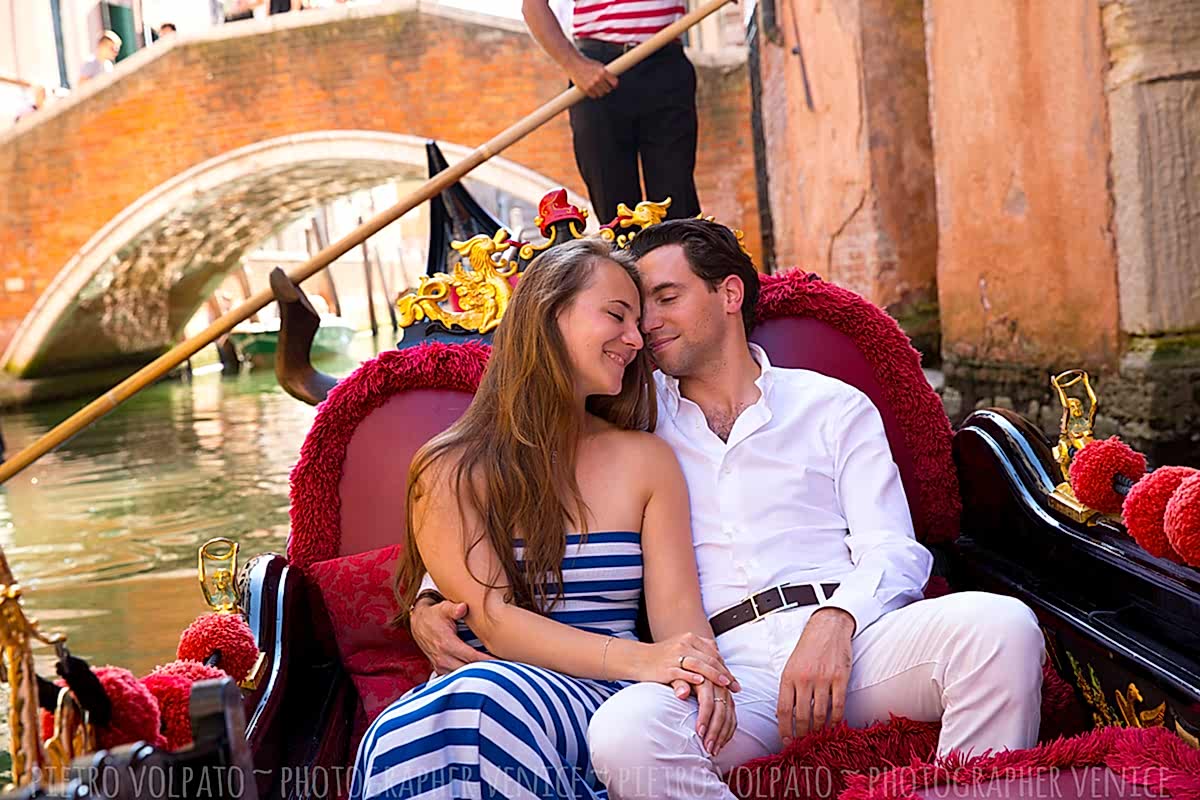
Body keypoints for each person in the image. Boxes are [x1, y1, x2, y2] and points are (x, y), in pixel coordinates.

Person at [413, 220, 1047, 799]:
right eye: (632, 311)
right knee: (626, 734)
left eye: (665, 298)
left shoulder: (833, 405)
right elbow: (526, 464)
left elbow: (894, 549)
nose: (645, 328)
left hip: (856, 647)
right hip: (728, 667)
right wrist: (429, 592)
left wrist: (839, 620)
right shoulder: (632, 411)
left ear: (729, 294)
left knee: (1002, 629)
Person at [350, 237, 740, 800]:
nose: (636, 340)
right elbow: (494, 622)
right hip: (476, 696)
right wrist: (646, 657)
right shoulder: (447, 468)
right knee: (454, 713)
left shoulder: (646, 461)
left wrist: (698, 675)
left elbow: (681, 619)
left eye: (639, 322)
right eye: (616, 315)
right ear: (548, 315)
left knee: (481, 705)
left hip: (604, 701)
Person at [522, 0, 701, 224]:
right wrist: (575, 65)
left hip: (666, 64)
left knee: (677, 203)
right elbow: (532, 5)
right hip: (597, 71)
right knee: (615, 210)